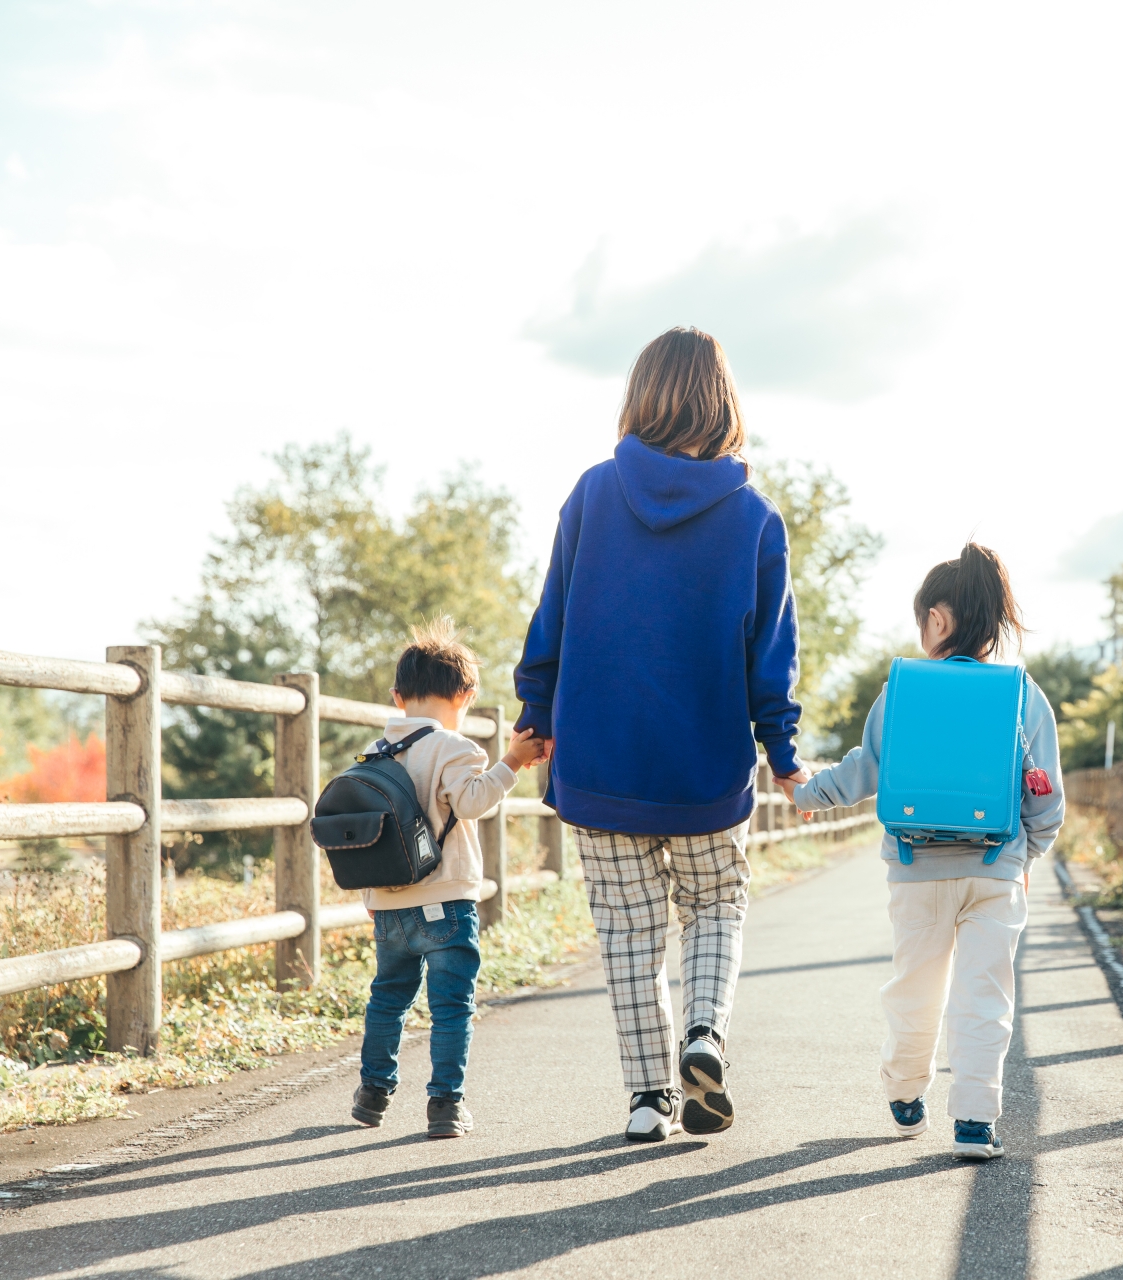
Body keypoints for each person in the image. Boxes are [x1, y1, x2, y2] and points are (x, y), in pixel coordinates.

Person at [514, 327, 806, 1143]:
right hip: (706, 769)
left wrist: (535, 713)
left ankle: (648, 1101)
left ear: (641, 395)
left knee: (628, 933)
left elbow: (554, 617)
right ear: (724, 405)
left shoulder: (592, 494)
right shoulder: (754, 517)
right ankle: (704, 1032)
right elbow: (769, 656)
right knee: (716, 905)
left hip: (600, 760)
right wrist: (782, 754)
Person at [793, 543, 1064, 1160]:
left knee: (915, 987)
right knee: (983, 995)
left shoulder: (901, 693)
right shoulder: (1022, 695)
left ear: (937, 621)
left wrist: (810, 793)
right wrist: (1029, 853)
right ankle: (974, 1121)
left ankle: (906, 1091)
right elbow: (1043, 790)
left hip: (915, 871)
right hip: (996, 870)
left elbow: (867, 769)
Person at [350, 618, 550, 1138]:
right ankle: (445, 1104)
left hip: (389, 905)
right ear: (466, 693)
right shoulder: (453, 747)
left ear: (398, 696)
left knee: (387, 998)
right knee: (451, 1007)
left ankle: (372, 1093)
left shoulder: (375, 752)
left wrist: (372, 894)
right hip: (446, 902)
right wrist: (511, 761)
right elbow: (472, 801)